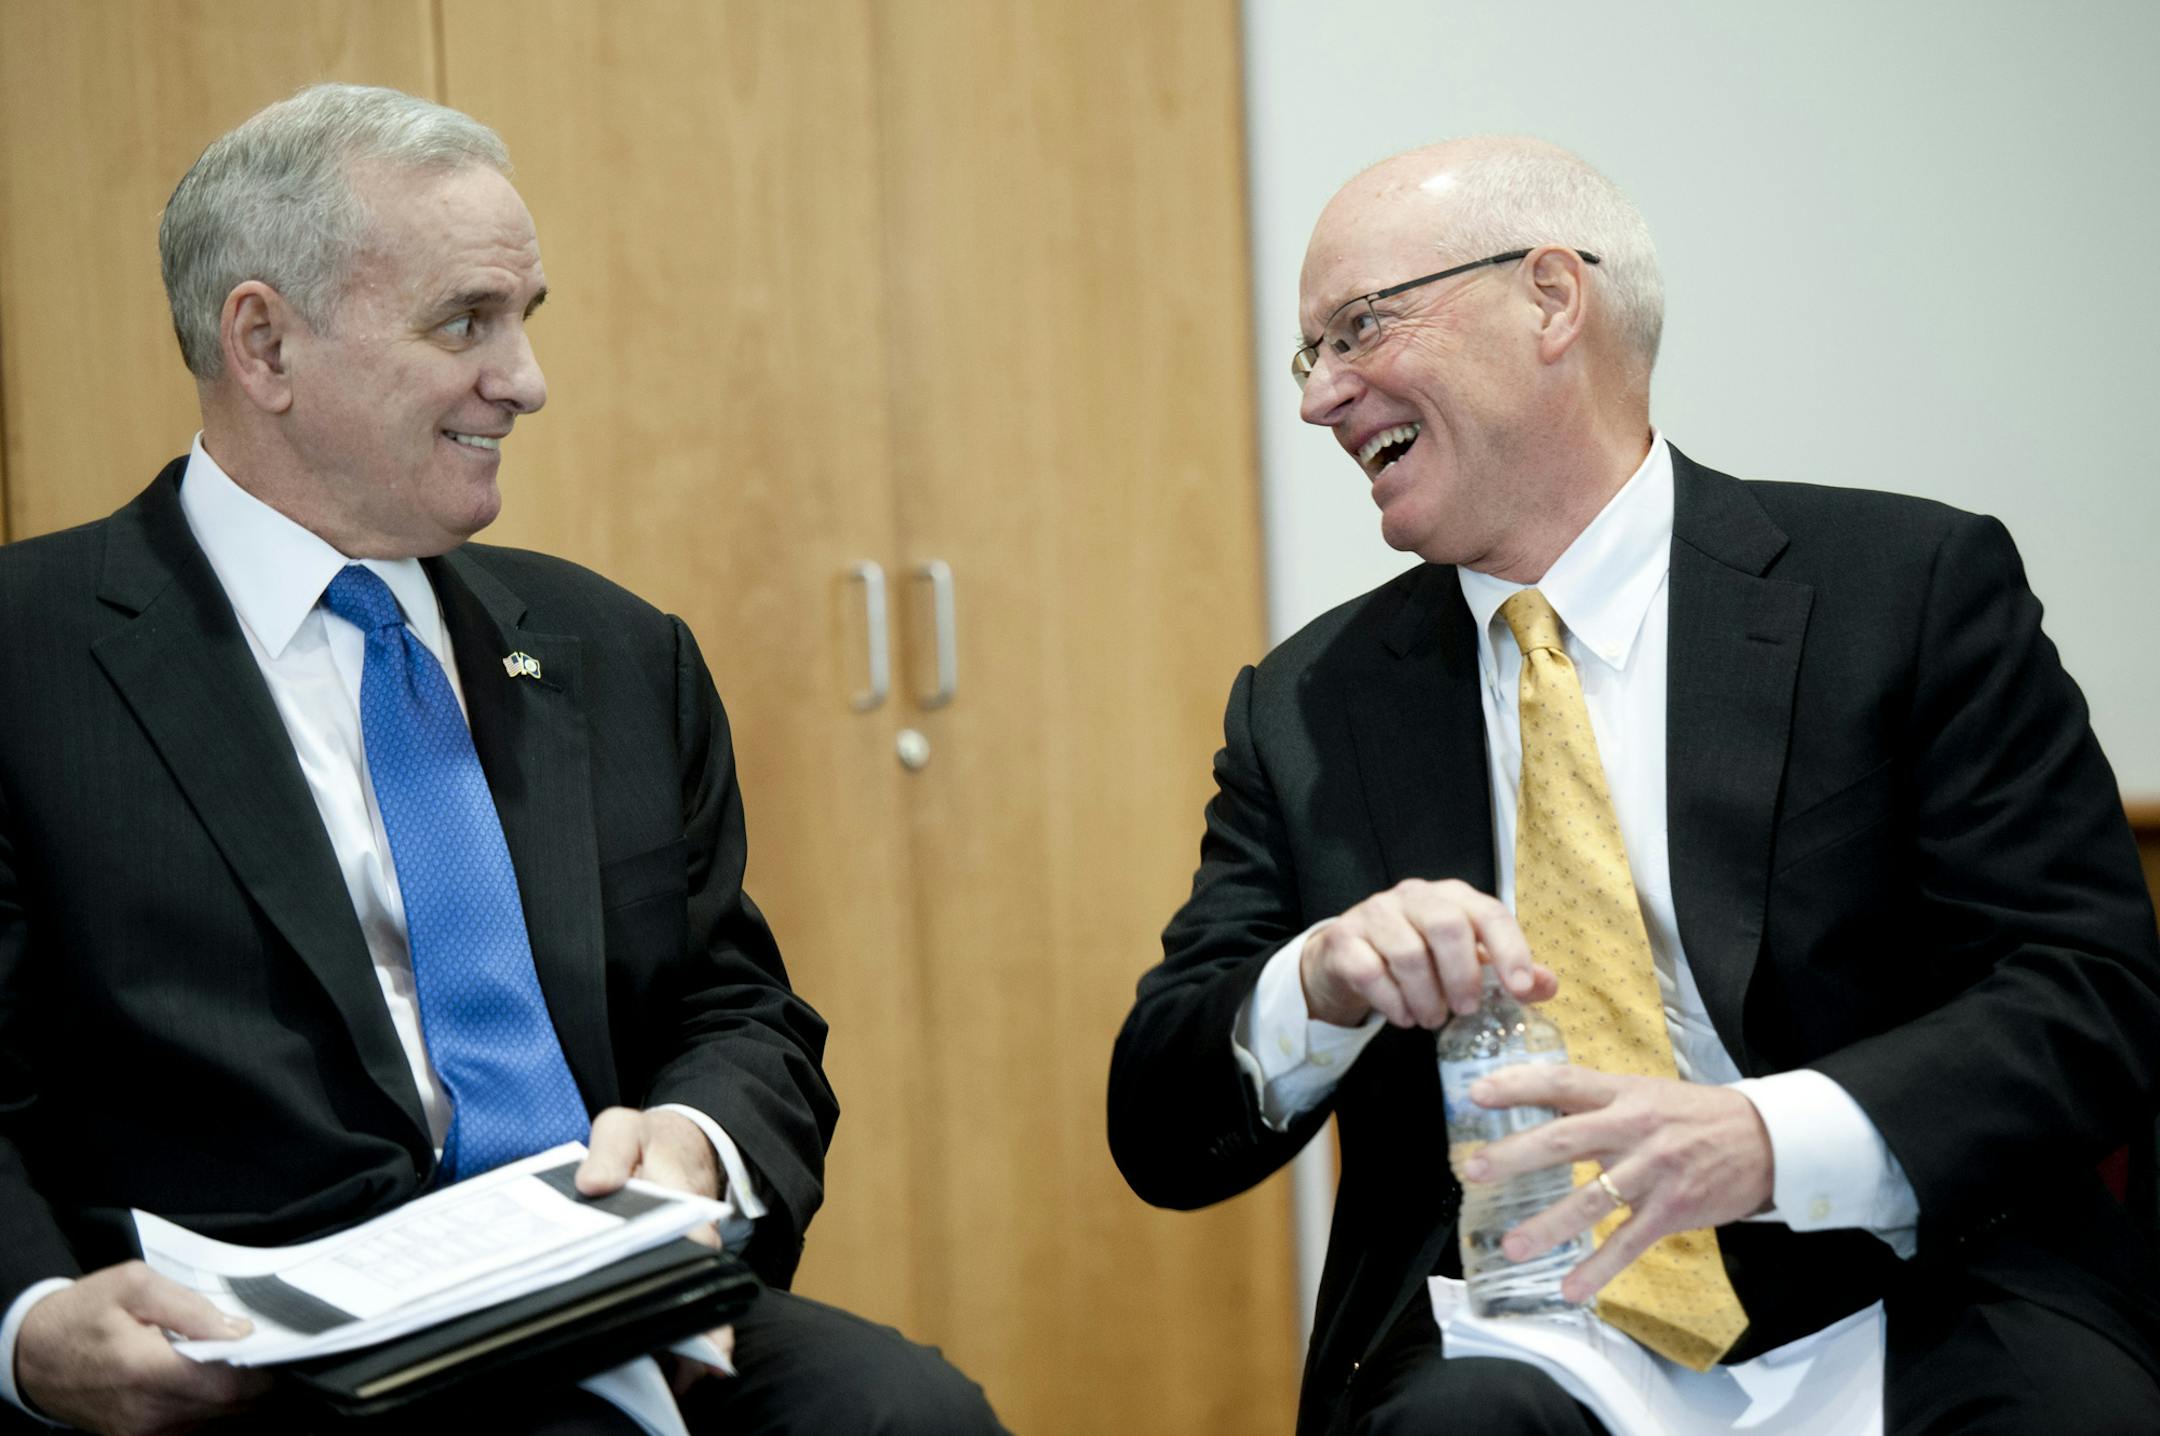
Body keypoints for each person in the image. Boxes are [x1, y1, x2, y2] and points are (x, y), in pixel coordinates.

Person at [1108, 136, 2160, 1435]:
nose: (1323, 397)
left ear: (1553, 298)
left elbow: (2089, 993)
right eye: (1309, 354)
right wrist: (1315, 982)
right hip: (1523, 1336)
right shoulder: (1308, 704)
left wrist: (1766, 1141)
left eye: (1360, 328)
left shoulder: (1908, 588)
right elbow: (1157, 1127)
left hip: (1916, 1289)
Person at [0, 84, 1002, 1436]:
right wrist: (26, 1323)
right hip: (250, 1364)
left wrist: (698, 1144)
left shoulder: (613, 649)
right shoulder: (30, 657)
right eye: (466, 323)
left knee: (911, 1413)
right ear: (264, 344)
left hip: (606, 1302)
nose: (525, 381)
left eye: (526, 321)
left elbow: (737, 1011)